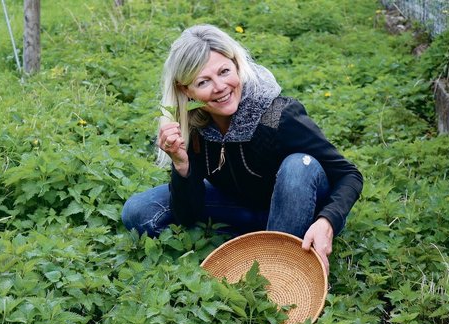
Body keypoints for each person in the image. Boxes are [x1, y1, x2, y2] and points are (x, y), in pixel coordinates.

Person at [121, 24, 363, 273]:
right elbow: (187, 215)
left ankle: (278, 260)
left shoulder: (277, 114)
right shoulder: (194, 126)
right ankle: (253, 240)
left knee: (299, 166)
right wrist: (182, 165)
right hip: (242, 209)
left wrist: (327, 221)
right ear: (186, 90)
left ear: (237, 64)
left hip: (303, 208)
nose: (220, 87)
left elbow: (349, 175)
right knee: (137, 211)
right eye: (203, 82)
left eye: (225, 71)